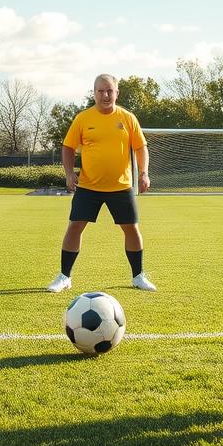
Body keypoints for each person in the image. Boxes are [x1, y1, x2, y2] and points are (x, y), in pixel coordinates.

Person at [45, 73, 155, 293]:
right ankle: (64, 277)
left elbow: (140, 148)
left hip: (121, 186)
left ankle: (138, 276)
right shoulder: (83, 119)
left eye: (109, 91)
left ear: (117, 93)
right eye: (101, 91)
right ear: (94, 93)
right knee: (75, 227)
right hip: (88, 187)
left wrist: (144, 173)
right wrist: (69, 173)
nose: (105, 95)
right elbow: (68, 147)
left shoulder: (128, 118)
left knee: (131, 229)